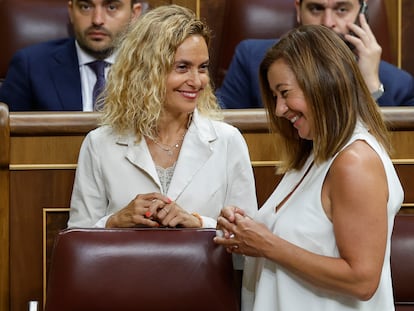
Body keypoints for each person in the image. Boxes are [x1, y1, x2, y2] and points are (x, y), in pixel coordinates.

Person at [214, 25, 404, 310]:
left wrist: (266, 244)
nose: (279, 109)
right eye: (275, 97)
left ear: (323, 82)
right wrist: (245, 229)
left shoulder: (354, 161)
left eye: (285, 93)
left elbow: (362, 281)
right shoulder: (314, 154)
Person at [67, 4, 258, 229]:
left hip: (201, 265)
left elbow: (249, 244)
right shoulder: (99, 144)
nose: (197, 81)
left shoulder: (228, 140)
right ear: (147, 72)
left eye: (203, 67)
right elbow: (78, 240)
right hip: (127, 265)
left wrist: (198, 223)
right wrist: (114, 221)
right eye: (182, 67)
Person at [216, 0, 414, 108]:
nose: (328, 22)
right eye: (315, 8)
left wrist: (371, 85)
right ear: (299, 10)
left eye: (342, 9)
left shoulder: (399, 84)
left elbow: (395, 154)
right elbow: (222, 127)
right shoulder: (251, 58)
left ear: (362, 11)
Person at [0, 0, 143, 111]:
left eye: (111, 7)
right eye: (85, 7)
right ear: (71, 11)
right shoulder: (30, 66)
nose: (97, 20)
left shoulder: (152, 68)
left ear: (134, 14)